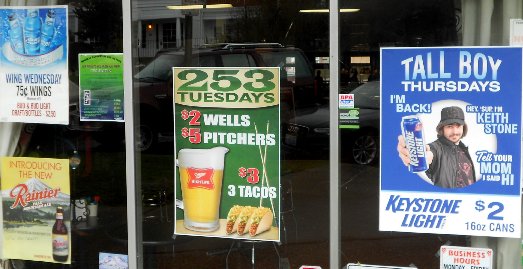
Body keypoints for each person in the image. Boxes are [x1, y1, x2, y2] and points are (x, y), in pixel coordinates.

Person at [398, 106, 476, 188]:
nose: (455, 132)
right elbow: (430, 153)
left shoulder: (463, 148)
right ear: (442, 129)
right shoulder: (436, 148)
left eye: (458, 126)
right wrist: (420, 155)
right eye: (449, 126)